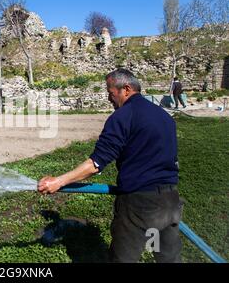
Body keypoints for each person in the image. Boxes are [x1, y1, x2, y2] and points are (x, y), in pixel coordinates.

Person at [38, 68, 183, 263]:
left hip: (140, 206)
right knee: (167, 258)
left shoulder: (124, 116)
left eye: (110, 92)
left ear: (126, 89)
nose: (109, 98)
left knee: (124, 259)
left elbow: (95, 164)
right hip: (170, 202)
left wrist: (59, 181)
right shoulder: (164, 116)